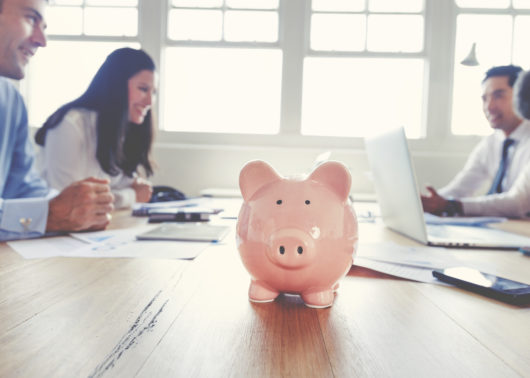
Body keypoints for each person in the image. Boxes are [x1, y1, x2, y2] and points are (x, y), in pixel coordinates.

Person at [0, 0, 114, 241]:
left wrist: (77, 207)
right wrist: (49, 215)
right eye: (31, 19)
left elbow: (23, 187)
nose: (42, 40)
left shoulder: (11, 100)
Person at [35, 47, 156, 209]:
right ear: (116, 85)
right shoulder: (70, 125)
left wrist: (133, 189)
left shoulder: (118, 128)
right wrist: (132, 196)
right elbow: (69, 205)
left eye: (154, 92)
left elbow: (121, 185)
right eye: (143, 89)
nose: (149, 102)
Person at [421, 65, 530, 218]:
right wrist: (428, 202)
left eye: (499, 96)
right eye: (485, 98)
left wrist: (452, 205)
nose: (489, 106)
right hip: (503, 228)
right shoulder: (491, 143)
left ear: (521, 96)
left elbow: (519, 203)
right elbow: (460, 188)